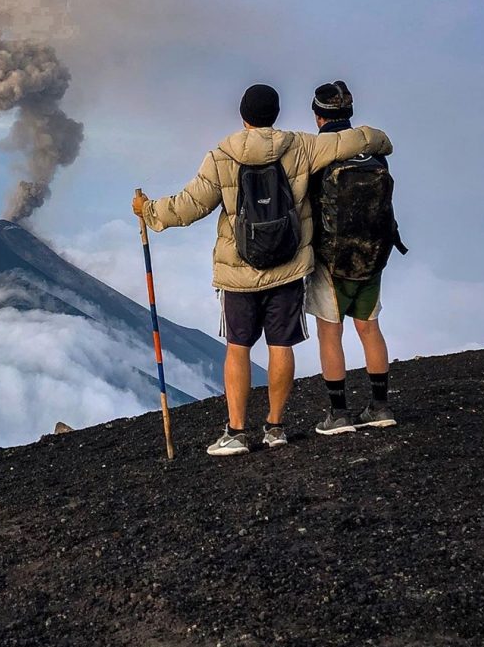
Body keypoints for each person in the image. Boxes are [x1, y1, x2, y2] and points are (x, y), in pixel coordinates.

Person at [131, 84, 392, 456]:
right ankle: (275, 427)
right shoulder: (301, 146)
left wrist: (148, 210)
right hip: (287, 269)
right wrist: (381, 140)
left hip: (237, 274)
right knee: (279, 345)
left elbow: (188, 206)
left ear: (244, 117)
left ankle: (236, 432)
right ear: (276, 114)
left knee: (237, 347)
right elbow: (351, 142)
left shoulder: (222, 155)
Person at [305, 81, 406, 436]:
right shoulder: (375, 154)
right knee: (369, 328)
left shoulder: (318, 154)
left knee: (330, 334)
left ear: (318, 116)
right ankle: (380, 406)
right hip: (373, 255)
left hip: (331, 259)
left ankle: (339, 414)